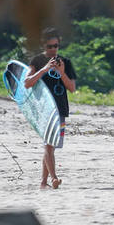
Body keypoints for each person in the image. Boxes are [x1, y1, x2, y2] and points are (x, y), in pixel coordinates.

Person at [24, 28, 77, 190]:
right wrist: (44, 69)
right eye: (50, 46)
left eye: (56, 46)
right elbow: (27, 83)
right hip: (43, 109)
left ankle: (43, 182)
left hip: (60, 109)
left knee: (51, 146)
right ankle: (54, 178)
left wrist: (61, 73)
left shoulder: (65, 62)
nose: (53, 49)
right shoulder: (37, 60)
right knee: (48, 145)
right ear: (43, 45)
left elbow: (72, 88)